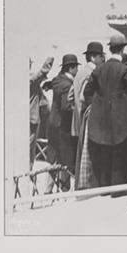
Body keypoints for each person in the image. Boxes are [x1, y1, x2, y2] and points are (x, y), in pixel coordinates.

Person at [83, 34, 127, 192]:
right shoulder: (125, 69)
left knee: (104, 152)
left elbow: (87, 92)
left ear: (110, 49)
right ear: (122, 50)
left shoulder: (99, 69)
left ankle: (104, 188)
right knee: (119, 154)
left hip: (100, 120)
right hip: (120, 119)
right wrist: (125, 105)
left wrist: (97, 106)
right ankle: (118, 190)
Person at [46, 54, 80, 191]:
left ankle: (47, 191)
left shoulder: (57, 80)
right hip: (63, 128)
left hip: (53, 125)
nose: (77, 70)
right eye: (76, 67)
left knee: (53, 160)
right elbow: (66, 107)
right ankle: (64, 190)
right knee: (65, 159)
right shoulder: (67, 85)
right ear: (71, 68)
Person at [69, 42, 105, 143]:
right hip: (86, 119)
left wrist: (76, 107)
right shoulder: (92, 73)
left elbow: (70, 96)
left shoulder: (80, 72)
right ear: (93, 57)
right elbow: (85, 97)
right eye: (101, 56)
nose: (102, 59)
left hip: (77, 120)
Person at [29, 56, 54, 168]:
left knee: (30, 150)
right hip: (32, 119)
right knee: (29, 150)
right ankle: (28, 171)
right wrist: (52, 55)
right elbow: (43, 71)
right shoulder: (30, 80)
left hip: (30, 119)